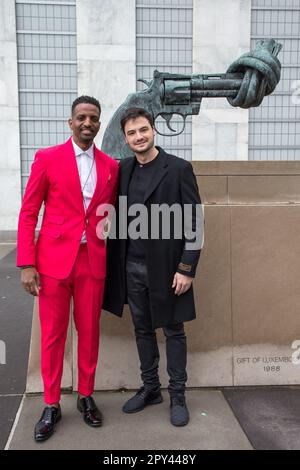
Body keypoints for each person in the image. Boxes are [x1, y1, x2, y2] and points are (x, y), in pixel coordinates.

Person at [17, 96, 119, 442]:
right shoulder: (48, 158)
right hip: (52, 264)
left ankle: (86, 396)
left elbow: (108, 213)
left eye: (93, 118)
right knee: (53, 336)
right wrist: (27, 263)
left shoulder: (110, 166)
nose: (87, 123)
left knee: (89, 332)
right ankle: (51, 403)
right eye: (81, 117)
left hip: (92, 262)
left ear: (99, 124)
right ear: (70, 122)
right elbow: (29, 211)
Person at [103, 107, 203, 427]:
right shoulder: (124, 170)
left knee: (173, 330)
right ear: (126, 137)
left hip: (168, 270)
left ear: (153, 129)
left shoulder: (178, 169)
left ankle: (177, 395)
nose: (138, 137)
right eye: (131, 133)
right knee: (142, 330)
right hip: (131, 267)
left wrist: (186, 268)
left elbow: (194, 223)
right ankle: (150, 388)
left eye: (143, 130)